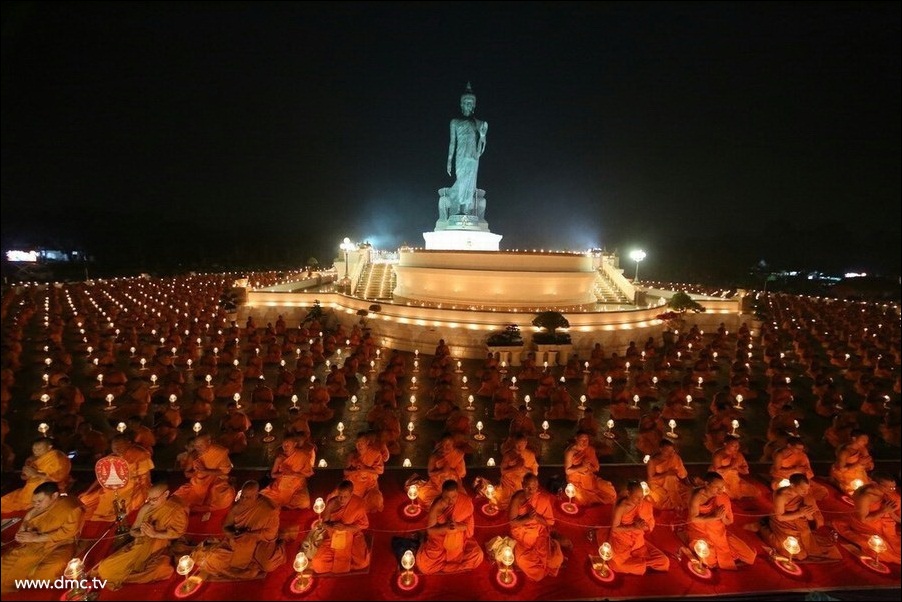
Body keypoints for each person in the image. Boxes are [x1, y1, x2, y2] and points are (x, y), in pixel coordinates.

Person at [93, 483, 188, 590]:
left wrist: (155, 534)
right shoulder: (146, 508)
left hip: (160, 549)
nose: (150, 501)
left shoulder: (175, 508)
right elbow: (133, 531)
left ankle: (121, 577)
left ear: (166, 494)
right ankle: (120, 575)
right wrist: (141, 533)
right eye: (149, 499)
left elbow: (178, 533)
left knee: (163, 570)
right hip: (138, 547)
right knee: (104, 569)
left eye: (154, 499)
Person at [1, 482, 85, 593]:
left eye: (39, 501)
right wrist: (21, 534)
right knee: (8, 563)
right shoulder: (36, 509)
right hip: (34, 545)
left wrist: (36, 538)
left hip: (62, 544)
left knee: (48, 571)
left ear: (54, 496)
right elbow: (25, 525)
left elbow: (67, 533)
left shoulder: (71, 507)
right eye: (34, 501)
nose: (36, 504)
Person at [192, 481, 285, 580]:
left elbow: (270, 535)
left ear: (256, 495)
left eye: (248, 498)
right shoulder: (238, 506)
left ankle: (282, 541)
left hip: (260, 542)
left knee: (268, 565)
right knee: (211, 559)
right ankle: (235, 571)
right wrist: (230, 533)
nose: (244, 500)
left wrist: (249, 533)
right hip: (239, 542)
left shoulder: (269, 509)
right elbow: (226, 526)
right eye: (242, 496)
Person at [758, 473, 841, 561]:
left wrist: (809, 515)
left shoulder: (805, 494)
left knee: (818, 549)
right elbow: (780, 518)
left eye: (807, 489)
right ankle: (763, 528)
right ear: (792, 485)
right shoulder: (781, 495)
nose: (806, 492)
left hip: (800, 521)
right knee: (798, 554)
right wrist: (800, 513)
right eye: (803, 489)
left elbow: (811, 516)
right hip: (784, 523)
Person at [686, 472, 757, 570]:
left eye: (722, 487)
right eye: (717, 487)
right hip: (700, 531)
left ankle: (723, 560)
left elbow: (729, 521)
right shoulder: (697, 496)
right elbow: (694, 518)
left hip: (719, 532)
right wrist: (714, 517)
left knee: (750, 556)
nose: (720, 491)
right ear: (706, 484)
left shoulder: (722, 497)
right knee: (710, 561)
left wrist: (722, 517)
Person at [79, 435, 154, 522]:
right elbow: (102, 478)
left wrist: (146, 494)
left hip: (132, 487)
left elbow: (145, 478)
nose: (117, 450)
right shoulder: (112, 457)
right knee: (84, 501)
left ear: (128, 443)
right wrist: (88, 491)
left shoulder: (140, 454)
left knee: (122, 507)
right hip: (112, 487)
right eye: (114, 447)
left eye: (120, 446)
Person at [602, 480, 670, 575]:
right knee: (617, 565)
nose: (640, 500)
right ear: (629, 494)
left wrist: (642, 525)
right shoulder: (622, 506)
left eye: (641, 497)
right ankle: (644, 565)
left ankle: (640, 565)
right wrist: (633, 527)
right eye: (637, 498)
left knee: (664, 561)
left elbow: (648, 526)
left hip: (638, 539)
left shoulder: (642, 503)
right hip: (622, 540)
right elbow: (615, 528)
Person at [417, 479, 484, 574]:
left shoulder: (464, 501)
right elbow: (430, 531)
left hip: (460, 539)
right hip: (440, 541)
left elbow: (468, 527)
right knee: (423, 566)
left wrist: (457, 527)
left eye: (454, 497)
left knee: (478, 555)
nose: (450, 500)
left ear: (458, 493)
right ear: (442, 494)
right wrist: (445, 528)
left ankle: (445, 567)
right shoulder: (437, 506)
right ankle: (456, 566)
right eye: (447, 497)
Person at [442, 83, 488, 220]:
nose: (468, 105)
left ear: (474, 105)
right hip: (461, 155)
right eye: (466, 102)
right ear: (461, 104)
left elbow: (483, 133)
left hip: (473, 156)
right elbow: (452, 143)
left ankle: (466, 209)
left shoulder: (476, 122)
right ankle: (460, 209)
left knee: (470, 182)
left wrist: (483, 134)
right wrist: (449, 161)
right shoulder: (455, 122)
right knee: (462, 180)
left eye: (471, 103)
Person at [508, 473, 566, 581]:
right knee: (536, 572)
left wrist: (536, 517)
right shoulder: (516, 499)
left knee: (556, 560)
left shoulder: (543, 498)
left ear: (537, 486)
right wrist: (528, 518)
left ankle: (553, 544)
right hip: (522, 538)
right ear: (522, 484)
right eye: (528, 487)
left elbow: (549, 523)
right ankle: (525, 558)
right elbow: (512, 523)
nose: (531, 490)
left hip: (539, 534)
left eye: (534, 487)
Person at [833, 472, 900, 564]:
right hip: (866, 525)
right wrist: (883, 511)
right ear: (875, 484)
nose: (892, 490)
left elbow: (891, 513)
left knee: (896, 543)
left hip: (882, 519)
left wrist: (889, 513)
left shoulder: (885, 492)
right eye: (888, 487)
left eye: (893, 487)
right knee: (886, 551)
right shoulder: (865, 496)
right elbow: (863, 520)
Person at [310, 480, 371, 574]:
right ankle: (346, 564)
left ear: (351, 495)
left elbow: (362, 525)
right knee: (318, 565)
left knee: (362, 563)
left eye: (345, 497)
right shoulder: (331, 503)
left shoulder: (358, 504)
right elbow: (324, 524)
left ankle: (340, 564)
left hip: (352, 535)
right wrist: (332, 527)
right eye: (339, 496)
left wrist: (345, 528)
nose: (341, 499)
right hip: (333, 536)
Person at [1, 438, 71, 514]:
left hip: (46, 491)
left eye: (39, 449)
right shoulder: (35, 458)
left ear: (49, 447)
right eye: (34, 449)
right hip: (28, 489)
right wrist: (26, 474)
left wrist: (37, 474)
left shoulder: (57, 458)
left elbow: (58, 476)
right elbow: (25, 475)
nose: (36, 451)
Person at [174, 433, 235, 513]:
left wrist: (205, 471)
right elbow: (187, 474)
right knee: (180, 498)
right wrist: (195, 473)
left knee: (225, 497)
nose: (197, 448)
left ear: (209, 442)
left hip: (215, 481)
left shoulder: (220, 452)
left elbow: (225, 471)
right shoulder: (194, 455)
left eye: (200, 445)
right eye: (196, 446)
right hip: (199, 482)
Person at [261, 434, 316, 510]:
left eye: (288, 445)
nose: (285, 447)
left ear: (294, 444)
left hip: (298, 486)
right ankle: (283, 504)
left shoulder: (302, 455)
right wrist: (283, 474)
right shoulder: (279, 458)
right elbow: (273, 475)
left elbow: (309, 474)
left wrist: (293, 473)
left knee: (305, 503)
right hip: (281, 487)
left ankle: (283, 505)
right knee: (264, 499)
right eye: (284, 445)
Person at [564, 431, 617, 506]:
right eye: (582, 440)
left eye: (586, 440)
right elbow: (567, 471)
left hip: (590, 479)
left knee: (610, 491)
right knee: (581, 499)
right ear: (576, 439)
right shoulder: (570, 452)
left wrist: (589, 467)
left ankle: (595, 501)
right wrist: (580, 467)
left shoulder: (590, 449)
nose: (584, 442)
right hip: (576, 481)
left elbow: (597, 468)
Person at [341, 431, 389, 513]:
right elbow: (345, 472)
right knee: (343, 497)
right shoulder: (352, 454)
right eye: (357, 443)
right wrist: (355, 470)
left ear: (367, 442)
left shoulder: (375, 453)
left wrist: (365, 468)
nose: (359, 445)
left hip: (369, 483)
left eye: (361, 443)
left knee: (375, 500)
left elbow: (380, 471)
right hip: (355, 482)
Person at [413, 435, 467, 508]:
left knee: (464, 500)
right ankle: (445, 506)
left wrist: (450, 470)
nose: (444, 449)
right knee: (423, 497)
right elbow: (430, 473)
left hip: (452, 484)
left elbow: (462, 474)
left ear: (453, 447)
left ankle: (444, 505)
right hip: (437, 484)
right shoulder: (434, 457)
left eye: (447, 446)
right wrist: (441, 471)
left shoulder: (457, 455)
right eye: (442, 446)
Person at [646, 438, 691, 511]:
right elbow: (651, 478)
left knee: (687, 491)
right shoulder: (653, 461)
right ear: (661, 449)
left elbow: (683, 474)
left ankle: (676, 501)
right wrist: (666, 474)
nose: (670, 453)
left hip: (672, 483)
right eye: (667, 451)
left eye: (672, 451)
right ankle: (675, 502)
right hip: (658, 484)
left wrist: (688, 483)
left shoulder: (675, 457)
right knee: (659, 497)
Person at [497, 434, 539, 510]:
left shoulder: (530, 455)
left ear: (526, 443)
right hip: (509, 482)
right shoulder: (508, 455)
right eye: (517, 445)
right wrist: (515, 467)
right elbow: (502, 472)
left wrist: (523, 468)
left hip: (523, 482)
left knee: (526, 497)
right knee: (503, 502)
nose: (519, 447)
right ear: (514, 443)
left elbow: (534, 473)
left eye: (522, 445)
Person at [709, 435, 758, 500]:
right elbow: (717, 472)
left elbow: (746, 471)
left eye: (738, 445)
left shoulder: (739, 455)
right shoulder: (718, 455)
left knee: (755, 492)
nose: (736, 448)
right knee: (725, 494)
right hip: (721, 479)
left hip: (734, 479)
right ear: (725, 444)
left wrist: (737, 468)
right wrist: (731, 466)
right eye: (733, 445)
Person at [830, 429, 874, 495]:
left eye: (866, 440)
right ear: (854, 439)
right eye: (863, 440)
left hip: (859, 473)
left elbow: (868, 461)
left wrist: (869, 465)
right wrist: (858, 463)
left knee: (867, 489)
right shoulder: (845, 452)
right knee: (852, 491)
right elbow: (841, 469)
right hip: (845, 474)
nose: (866, 442)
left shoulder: (863, 449)